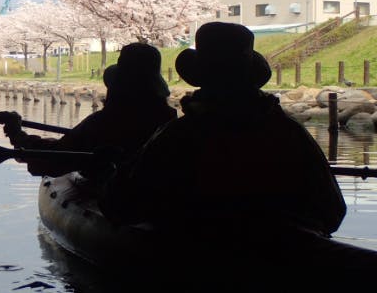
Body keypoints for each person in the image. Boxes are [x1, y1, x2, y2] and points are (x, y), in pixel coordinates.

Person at [98, 22, 350, 288]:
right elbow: (332, 212)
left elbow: (120, 206)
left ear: (202, 77)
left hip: (188, 265)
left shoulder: (179, 135)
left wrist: (112, 172)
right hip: (281, 263)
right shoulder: (290, 133)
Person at [0, 42, 178, 178]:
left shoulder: (104, 124)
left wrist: (17, 133)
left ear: (117, 86)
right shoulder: (171, 121)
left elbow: (55, 159)